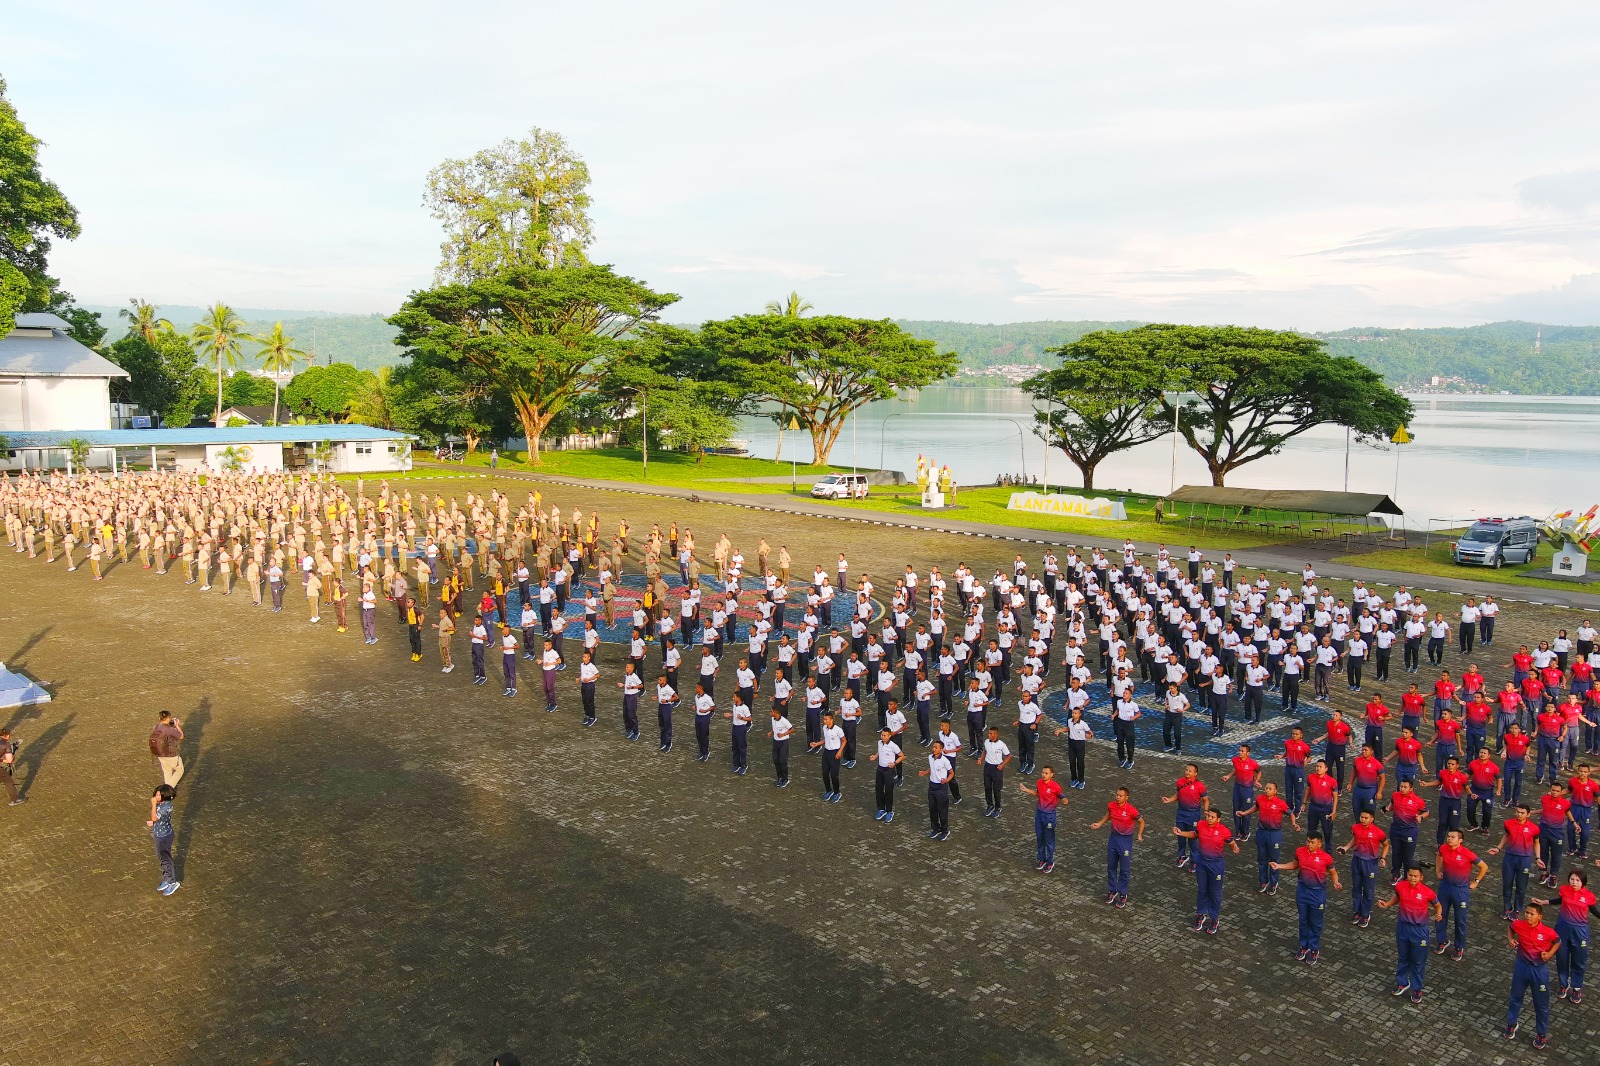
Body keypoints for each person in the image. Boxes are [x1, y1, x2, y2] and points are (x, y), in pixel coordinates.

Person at [1271, 832, 1341, 964]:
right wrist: (1279, 866)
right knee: (1303, 920)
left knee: (1315, 922)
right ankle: (1303, 946)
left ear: (1319, 844)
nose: (1309, 844)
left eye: (1312, 842)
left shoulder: (1326, 858)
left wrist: (1336, 882)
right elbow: (1294, 865)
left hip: (1317, 894)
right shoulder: (1300, 852)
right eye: (1308, 841)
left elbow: (1333, 872)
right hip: (1302, 891)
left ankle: (1314, 949)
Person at [1532, 870, 1599, 1003]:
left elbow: (1595, 911)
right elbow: (1559, 900)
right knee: (1562, 958)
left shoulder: (1589, 896)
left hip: (1580, 932)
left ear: (1583, 883)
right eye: (1572, 879)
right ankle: (1563, 985)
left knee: (1579, 960)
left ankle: (1576, 987)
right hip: (1562, 929)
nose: (1574, 882)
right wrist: (1543, 902)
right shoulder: (1564, 890)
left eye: (1578, 880)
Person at [1376, 866, 1442, 1004]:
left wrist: (1438, 914)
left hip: (1420, 931)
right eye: (1410, 875)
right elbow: (1397, 897)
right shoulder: (1400, 886)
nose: (1412, 878)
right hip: (1403, 927)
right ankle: (1402, 982)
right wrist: (1387, 904)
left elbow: (1437, 905)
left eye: (1415, 876)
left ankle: (1417, 988)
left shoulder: (1427, 893)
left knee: (1418, 961)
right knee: (1403, 956)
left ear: (1421, 878)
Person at [1503, 902, 1561, 1049]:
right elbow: (1510, 929)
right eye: (1527, 913)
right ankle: (1512, 1024)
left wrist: (1549, 954)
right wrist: (1510, 940)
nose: (1528, 915)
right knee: (1515, 998)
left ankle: (1541, 1033)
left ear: (1539, 916)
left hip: (1539, 971)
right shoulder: (1519, 925)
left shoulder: (1547, 932)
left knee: (1541, 1004)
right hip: (1521, 967)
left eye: (1532, 914)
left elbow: (1558, 941)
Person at [1173, 808, 1239, 934]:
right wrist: (1181, 833)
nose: (1209, 818)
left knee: (1214, 892)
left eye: (1212, 817)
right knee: (1202, 890)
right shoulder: (1201, 825)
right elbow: (1194, 835)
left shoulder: (1224, 831)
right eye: (1208, 816)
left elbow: (1231, 842)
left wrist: (1235, 848)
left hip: (1216, 866)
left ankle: (1214, 918)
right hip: (1202, 863)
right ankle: (1201, 914)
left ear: (1218, 819)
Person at [1433, 827, 1489, 962]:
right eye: (1448, 837)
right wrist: (1438, 870)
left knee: (1460, 920)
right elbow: (1439, 856)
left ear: (1460, 840)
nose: (1449, 839)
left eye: (1452, 837)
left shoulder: (1467, 854)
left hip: (1460, 890)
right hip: (1445, 887)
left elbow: (1484, 866)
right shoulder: (1444, 849)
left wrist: (1476, 881)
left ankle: (1459, 947)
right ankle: (1442, 940)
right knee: (1440, 915)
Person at [1237, 781, 1296, 895]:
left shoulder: (1280, 803)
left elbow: (1291, 814)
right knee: (1262, 858)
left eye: (1270, 788)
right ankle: (1263, 881)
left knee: (1274, 859)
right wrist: (1244, 813)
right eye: (1266, 788)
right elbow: (1256, 807)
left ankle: (1273, 883)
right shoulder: (1260, 799)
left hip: (1274, 834)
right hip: (1262, 832)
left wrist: (1293, 823)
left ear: (1275, 791)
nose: (1267, 790)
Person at [1337, 809, 1390, 928]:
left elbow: (1386, 844)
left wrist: (1383, 857)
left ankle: (1365, 914)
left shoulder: (1378, 833)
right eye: (1361, 817)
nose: (1363, 819)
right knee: (1356, 888)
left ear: (1372, 819)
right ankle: (1357, 911)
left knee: (1368, 890)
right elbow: (1356, 839)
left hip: (1370, 864)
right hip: (1357, 861)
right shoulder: (1355, 828)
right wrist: (1346, 848)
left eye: (1366, 818)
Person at [1089, 785, 1143, 903]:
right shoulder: (1111, 805)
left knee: (1124, 869)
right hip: (1113, 838)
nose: (1117, 797)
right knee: (1111, 867)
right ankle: (1112, 891)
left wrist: (1139, 834)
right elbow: (1110, 814)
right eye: (1117, 795)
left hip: (1125, 840)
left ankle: (1123, 894)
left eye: (1120, 796)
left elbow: (1141, 821)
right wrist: (1100, 823)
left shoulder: (1132, 810)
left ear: (1126, 797)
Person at [1489, 804, 1541, 919]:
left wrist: (1538, 858)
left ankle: (1517, 909)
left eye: (1522, 813)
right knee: (1507, 884)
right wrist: (1498, 848)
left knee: (1521, 886)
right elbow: (1506, 835)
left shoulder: (1534, 828)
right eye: (1518, 812)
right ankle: (1507, 907)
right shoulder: (1508, 823)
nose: (1519, 814)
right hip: (1510, 857)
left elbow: (1536, 842)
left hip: (1525, 859)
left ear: (1528, 814)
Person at [1164, 764, 1209, 868]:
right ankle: (1181, 856)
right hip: (1181, 813)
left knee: (1193, 838)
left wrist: (1206, 811)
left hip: (1193, 815)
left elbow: (1206, 800)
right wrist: (1169, 799)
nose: (1187, 772)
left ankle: (1193, 861)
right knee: (1180, 836)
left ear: (1195, 773)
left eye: (1190, 771)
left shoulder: (1200, 786)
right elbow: (1178, 795)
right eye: (1186, 770)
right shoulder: (1180, 782)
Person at [145, 783, 180, 896]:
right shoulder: (162, 804)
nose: (156, 797)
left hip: (164, 836)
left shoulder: (166, 806)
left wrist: (153, 805)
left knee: (166, 859)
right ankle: (166, 877)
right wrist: (153, 823)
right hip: (158, 834)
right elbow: (157, 819)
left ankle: (172, 882)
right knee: (161, 858)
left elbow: (155, 816)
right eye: (156, 795)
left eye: (159, 796)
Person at [920, 740, 955, 841]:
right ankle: (935, 828)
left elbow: (951, 773)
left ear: (941, 749)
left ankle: (945, 831)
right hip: (932, 786)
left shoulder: (945, 761)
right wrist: (925, 773)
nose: (933, 749)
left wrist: (947, 780)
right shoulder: (930, 758)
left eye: (936, 747)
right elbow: (932, 768)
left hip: (941, 787)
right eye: (933, 747)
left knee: (942, 810)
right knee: (932, 809)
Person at [810, 712, 845, 802]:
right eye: (824, 719)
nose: (824, 721)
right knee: (825, 773)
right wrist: (817, 743)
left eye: (826, 719)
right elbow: (826, 739)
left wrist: (839, 752)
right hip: (826, 752)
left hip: (835, 753)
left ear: (831, 720)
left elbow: (844, 741)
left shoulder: (838, 730)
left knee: (834, 775)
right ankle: (828, 790)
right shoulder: (825, 728)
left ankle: (837, 792)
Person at [873, 728, 904, 822]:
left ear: (889, 736)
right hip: (880, 769)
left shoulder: (893, 746)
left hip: (889, 771)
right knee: (878, 789)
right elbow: (880, 751)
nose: (882, 737)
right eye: (882, 735)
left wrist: (894, 763)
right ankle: (881, 809)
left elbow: (902, 756)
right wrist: (875, 756)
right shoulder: (879, 743)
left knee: (888, 791)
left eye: (884, 735)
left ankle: (889, 811)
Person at [981, 726, 1012, 818]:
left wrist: (1002, 765)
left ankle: (998, 807)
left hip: (997, 768)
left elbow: (1009, 756)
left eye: (991, 733)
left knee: (996, 789)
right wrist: (981, 759)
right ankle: (990, 805)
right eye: (988, 733)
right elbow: (985, 751)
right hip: (987, 766)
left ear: (996, 734)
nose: (989, 735)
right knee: (987, 787)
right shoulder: (986, 742)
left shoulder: (1001, 744)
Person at [148, 710, 184, 787]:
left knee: (167, 772)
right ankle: (167, 790)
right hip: (170, 755)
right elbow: (181, 736)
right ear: (168, 718)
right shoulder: (170, 729)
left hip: (159, 754)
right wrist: (177, 726)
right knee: (179, 771)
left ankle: (166, 796)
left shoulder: (155, 727)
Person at [0, 728, 22, 805]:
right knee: (8, 780)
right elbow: (9, 760)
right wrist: (12, 756)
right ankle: (14, 800)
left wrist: (2, 760)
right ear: (8, 735)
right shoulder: (6, 744)